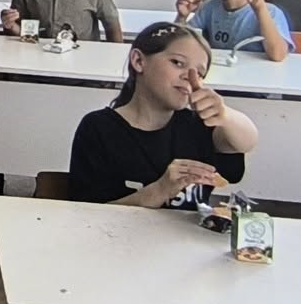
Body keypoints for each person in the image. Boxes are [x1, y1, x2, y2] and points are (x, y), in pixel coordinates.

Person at [54, 22, 257, 208]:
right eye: (177, 63)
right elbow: (87, 214)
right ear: (138, 61)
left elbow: (246, 141)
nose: (190, 77)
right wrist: (160, 190)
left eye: (200, 73)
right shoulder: (98, 128)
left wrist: (224, 114)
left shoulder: (198, 125)